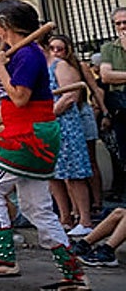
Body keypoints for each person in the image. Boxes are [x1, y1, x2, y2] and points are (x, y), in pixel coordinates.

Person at [0, 0, 88, 289]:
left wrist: (0, 66)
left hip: (28, 135)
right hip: (31, 133)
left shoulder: (28, 55)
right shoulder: (16, 54)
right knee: (37, 208)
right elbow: (2, 93)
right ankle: (74, 276)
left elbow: (19, 97)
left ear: (6, 24)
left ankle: (5, 260)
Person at [47, 33, 95, 237]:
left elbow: (71, 96)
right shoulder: (40, 67)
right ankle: (65, 217)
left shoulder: (61, 66)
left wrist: (51, 112)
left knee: (73, 174)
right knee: (54, 174)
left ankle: (84, 219)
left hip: (65, 124)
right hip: (49, 126)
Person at [99, 7, 126, 174]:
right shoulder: (108, 48)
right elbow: (106, 76)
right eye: (118, 23)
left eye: (125, 22)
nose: (123, 27)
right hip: (122, 105)